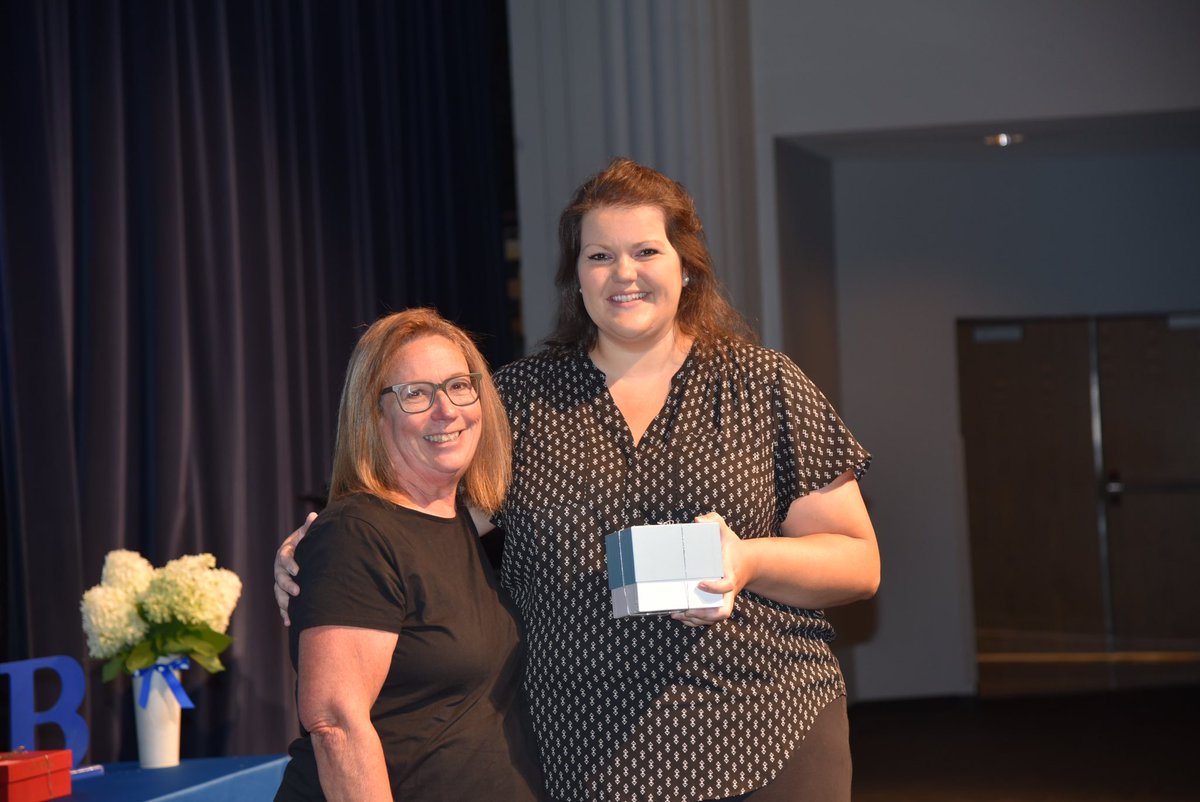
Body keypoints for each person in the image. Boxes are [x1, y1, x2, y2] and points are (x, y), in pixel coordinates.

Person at [277, 158, 879, 801]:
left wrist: (748, 561)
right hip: (580, 749)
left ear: (686, 265)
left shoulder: (764, 385)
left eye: (646, 250)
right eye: (599, 256)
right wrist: (326, 554)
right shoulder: (516, 401)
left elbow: (858, 562)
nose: (624, 273)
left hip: (764, 726)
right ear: (576, 279)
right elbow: (427, 523)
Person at [273, 308, 543, 802]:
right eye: (415, 394)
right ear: (374, 415)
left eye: (459, 386)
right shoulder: (356, 535)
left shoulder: (465, 523)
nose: (446, 410)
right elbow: (335, 723)